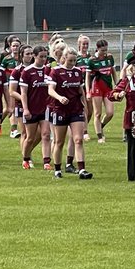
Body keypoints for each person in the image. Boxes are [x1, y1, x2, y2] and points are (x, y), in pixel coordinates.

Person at [47, 47, 92, 179]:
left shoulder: (78, 72)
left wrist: (85, 106)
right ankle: (57, 169)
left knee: (78, 139)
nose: (73, 63)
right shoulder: (56, 71)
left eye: (75, 60)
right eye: (70, 60)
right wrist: (59, 97)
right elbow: (50, 90)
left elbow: (80, 90)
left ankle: (82, 169)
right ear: (64, 58)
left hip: (75, 109)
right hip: (60, 109)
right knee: (59, 141)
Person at [19, 46, 52, 170]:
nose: (44, 59)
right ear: (34, 56)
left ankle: (46, 162)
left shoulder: (48, 71)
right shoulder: (27, 72)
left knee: (46, 135)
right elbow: (23, 93)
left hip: (45, 109)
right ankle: (26, 158)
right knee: (30, 138)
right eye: (41, 56)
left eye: (45, 56)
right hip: (31, 109)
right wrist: (26, 109)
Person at [86, 39, 119, 144]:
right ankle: (100, 136)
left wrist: (117, 85)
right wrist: (88, 91)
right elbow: (87, 77)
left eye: (106, 50)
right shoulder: (92, 60)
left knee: (110, 113)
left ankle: (101, 126)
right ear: (98, 48)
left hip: (108, 88)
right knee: (97, 113)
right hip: (97, 88)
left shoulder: (109, 58)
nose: (104, 52)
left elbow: (113, 72)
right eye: (102, 50)